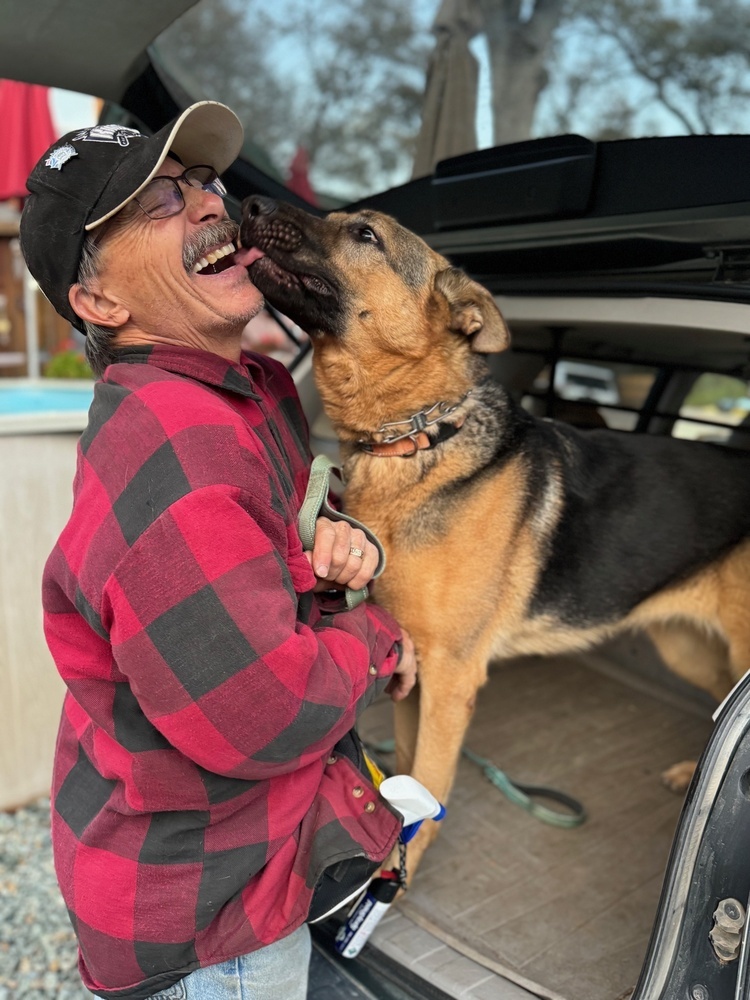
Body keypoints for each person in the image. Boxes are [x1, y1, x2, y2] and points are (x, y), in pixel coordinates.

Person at [21, 101, 417, 1000]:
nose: (209, 204)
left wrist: (323, 537)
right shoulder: (181, 450)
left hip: (212, 862)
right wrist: (382, 641)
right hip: (210, 922)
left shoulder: (244, 388)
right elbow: (268, 713)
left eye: (199, 183)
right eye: (157, 204)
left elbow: (267, 539)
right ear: (100, 303)